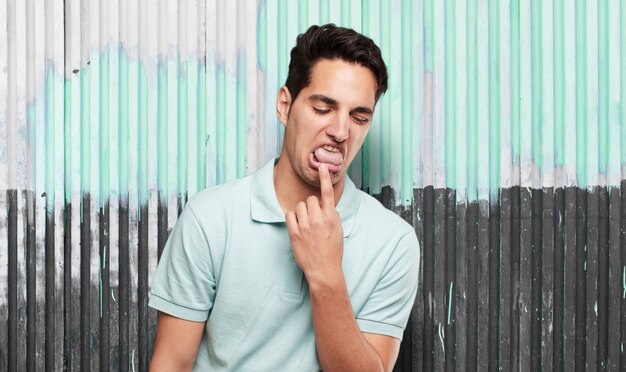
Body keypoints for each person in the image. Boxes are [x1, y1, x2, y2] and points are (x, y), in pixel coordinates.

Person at [148, 24, 420, 371]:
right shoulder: (210, 218)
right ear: (284, 105)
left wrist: (326, 274)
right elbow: (170, 363)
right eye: (323, 108)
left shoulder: (394, 243)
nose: (339, 132)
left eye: (358, 117)